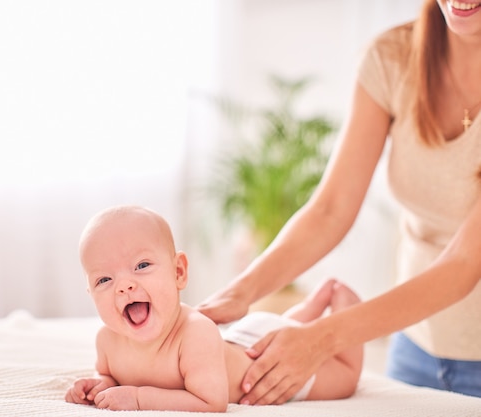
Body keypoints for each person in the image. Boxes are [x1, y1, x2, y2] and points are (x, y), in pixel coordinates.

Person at [197, 0, 481, 405]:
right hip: (416, 344)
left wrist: (321, 338)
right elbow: (331, 210)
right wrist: (239, 293)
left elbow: (463, 265)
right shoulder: (393, 59)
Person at [64, 205, 363, 411]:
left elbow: (211, 402)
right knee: (284, 326)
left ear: (178, 272)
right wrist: (96, 385)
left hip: (264, 361)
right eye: (104, 279)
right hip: (247, 337)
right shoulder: (107, 340)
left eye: (141, 266)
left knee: (344, 378)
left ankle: (340, 299)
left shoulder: (194, 334)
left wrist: (139, 399)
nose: (124, 286)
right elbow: (112, 377)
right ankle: (312, 306)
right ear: (91, 292)